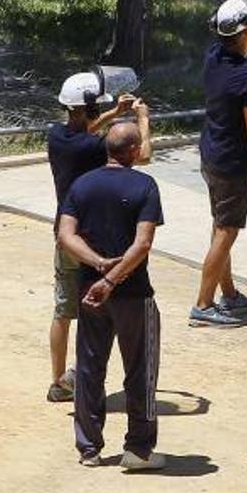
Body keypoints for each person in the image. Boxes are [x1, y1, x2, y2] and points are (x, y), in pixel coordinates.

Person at [57, 122, 166, 470]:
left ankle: (89, 448)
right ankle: (138, 449)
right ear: (133, 151)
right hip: (133, 294)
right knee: (141, 371)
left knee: (89, 367)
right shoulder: (145, 185)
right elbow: (143, 244)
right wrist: (114, 278)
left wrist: (98, 267)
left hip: (90, 292)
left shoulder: (82, 184)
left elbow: (66, 236)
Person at [46, 71, 151, 403]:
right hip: (95, 240)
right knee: (97, 310)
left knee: (63, 310)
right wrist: (141, 119)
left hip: (65, 235)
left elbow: (85, 129)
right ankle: (87, 376)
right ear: (88, 110)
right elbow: (141, 154)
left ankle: (58, 380)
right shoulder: (93, 148)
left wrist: (111, 113)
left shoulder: (57, 137)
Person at [190, 0, 247, 326]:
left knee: (219, 224)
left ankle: (227, 295)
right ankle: (203, 304)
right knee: (227, 231)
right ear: (245, 33)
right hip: (232, 162)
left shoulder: (213, 57)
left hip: (210, 153)